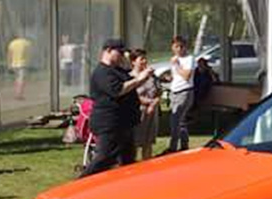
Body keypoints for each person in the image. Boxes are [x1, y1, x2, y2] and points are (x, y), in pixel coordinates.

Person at [82, 38, 151, 177]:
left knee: (128, 159)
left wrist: (140, 72)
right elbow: (118, 90)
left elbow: (129, 78)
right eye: (119, 52)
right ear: (108, 50)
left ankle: (126, 185)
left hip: (124, 123)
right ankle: (81, 183)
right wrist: (139, 79)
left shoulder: (117, 70)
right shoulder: (102, 72)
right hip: (109, 124)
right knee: (105, 158)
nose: (122, 56)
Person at [165, 36, 195, 154]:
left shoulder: (189, 59)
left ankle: (173, 147)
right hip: (174, 91)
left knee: (175, 120)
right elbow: (176, 76)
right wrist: (169, 78)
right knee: (181, 121)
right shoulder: (174, 59)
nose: (179, 49)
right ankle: (184, 145)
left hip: (184, 91)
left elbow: (187, 76)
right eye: (176, 46)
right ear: (172, 47)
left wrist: (177, 65)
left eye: (181, 46)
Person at [131, 49, 160, 161]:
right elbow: (132, 95)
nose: (144, 61)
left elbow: (158, 92)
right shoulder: (130, 77)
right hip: (138, 112)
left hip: (152, 112)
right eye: (141, 59)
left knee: (148, 142)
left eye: (145, 58)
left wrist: (153, 104)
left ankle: (147, 164)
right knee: (135, 141)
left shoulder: (152, 76)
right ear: (133, 61)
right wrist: (147, 102)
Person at [7, 34, 31, 100]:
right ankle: (19, 94)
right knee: (21, 79)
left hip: (14, 64)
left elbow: (9, 54)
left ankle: (16, 93)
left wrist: (9, 64)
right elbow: (28, 53)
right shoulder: (26, 43)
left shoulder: (12, 43)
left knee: (17, 79)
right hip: (22, 64)